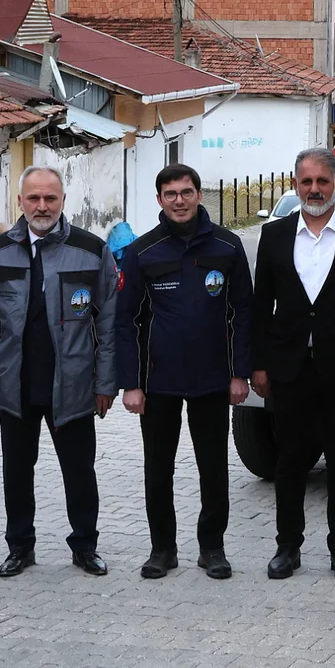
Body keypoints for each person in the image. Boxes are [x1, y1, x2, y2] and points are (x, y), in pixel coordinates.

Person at [0, 166, 119, 576]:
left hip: (72, 384)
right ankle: (19, 546)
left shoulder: (91, 249)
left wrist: (106, 382)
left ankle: (85, 546)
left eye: (49, 198)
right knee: (16, 472)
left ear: (63, 201)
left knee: (79, 471)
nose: (41, 206)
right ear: (20, 202)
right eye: (33, 198)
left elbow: (108, 322)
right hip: (14, 384)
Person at [116, 164, 254, 579]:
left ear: (199, 195)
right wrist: (131, 384)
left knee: (213, 467)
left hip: (213, 380)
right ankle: (162, 549)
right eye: (171, 193)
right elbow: (126, 323)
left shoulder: (227, 248)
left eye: (187, 192)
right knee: (158, 468)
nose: (180, 200)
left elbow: (243, 314)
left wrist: (239, 373)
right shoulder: (141, 253)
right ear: (159, 199)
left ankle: (212, 547)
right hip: (158, 383)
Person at [251, 147, 335, 581]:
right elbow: (260, 306)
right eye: (306, 182)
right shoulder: (274, 236)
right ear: (294, 185)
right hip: (289, 370)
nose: (314, 189)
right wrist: (259, 364)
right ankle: (287, 546)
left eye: (322, 181)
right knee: (289, 461)